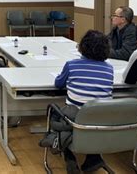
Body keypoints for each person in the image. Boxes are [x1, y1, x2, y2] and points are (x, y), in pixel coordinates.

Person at [42, 30, 114, 174]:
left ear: (83, 46)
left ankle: (69, 158)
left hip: (75, 115)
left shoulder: (71, 65)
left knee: (57, 115)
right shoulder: (109, 68)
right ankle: (93, 157)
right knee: (83, 123)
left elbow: (58, 84)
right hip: (101, 116)